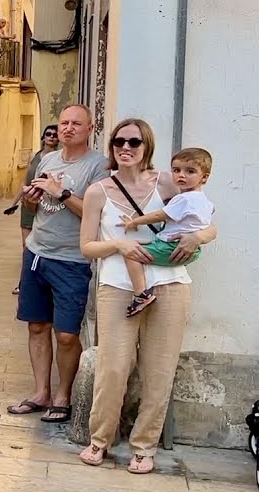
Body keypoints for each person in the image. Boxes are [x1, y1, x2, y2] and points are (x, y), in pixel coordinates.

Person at [78, 120, 216, 473]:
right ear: (111, 147)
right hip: (118, 288)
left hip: (170, 285)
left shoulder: (169, 181)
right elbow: (87, 247)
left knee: (159, 371)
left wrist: (197, 239)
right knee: (113, 367)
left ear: (146, 146)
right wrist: (119, 243)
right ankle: (100, 439)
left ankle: (144, 446)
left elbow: (208, 221)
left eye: (134, 141)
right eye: (119, 141)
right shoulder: (98, 190)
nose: (126, 147)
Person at [7, 105, 110, 424]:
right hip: (37, 253)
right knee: (37, 326)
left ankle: (63, 395)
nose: (68, 128)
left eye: (76, 123)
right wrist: (31, 198)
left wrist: (61, 192)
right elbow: (36, 205)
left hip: (72, 260)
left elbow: (96, 213)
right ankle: (41, 393)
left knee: (67, 334)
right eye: (64, 122)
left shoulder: (98, 167)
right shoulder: (48, 159)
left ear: (90, 128)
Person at [120, 147, 213, 316]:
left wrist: (134, 221)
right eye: (176, 170)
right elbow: (207, 225)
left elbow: (159, 215)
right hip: (189, 248)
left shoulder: (183, 198)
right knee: (137, 244)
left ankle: (141, 295)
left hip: (171, 246)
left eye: (190, 171)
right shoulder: (206, 202)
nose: (181, 175)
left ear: (204, 177)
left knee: (130, 253)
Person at [13, 124, 58, 295]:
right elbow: (26, 181)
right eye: (48, 134)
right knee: (26, 246)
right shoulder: (35, 156)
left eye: (55, 135)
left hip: (46, 206)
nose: (52, 137)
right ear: (43, 137)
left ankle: (36, 283)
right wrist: (14, 203)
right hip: (28, 204)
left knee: (38, 245)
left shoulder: (57, 158)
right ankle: (24, 283)